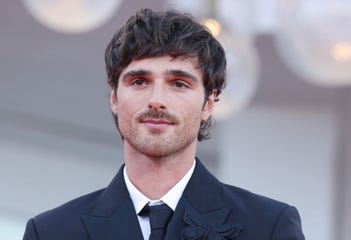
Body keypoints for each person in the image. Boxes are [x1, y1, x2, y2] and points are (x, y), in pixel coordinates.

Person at [23, 8, 305, 240]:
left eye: (179, 83)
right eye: (139, 81)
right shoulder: (50, 232)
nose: (156, 100)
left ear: (208, 103)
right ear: (114, 98)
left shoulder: (269, 227)